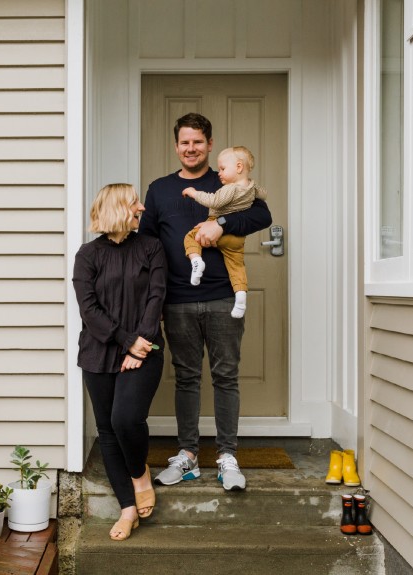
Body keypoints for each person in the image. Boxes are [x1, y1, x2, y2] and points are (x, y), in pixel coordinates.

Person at [139, 113, 272, 491]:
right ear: (176, 146)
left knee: (226, 377)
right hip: (177, 300)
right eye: (185, 142)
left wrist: (222, 224)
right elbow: (147, 243)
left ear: (210, 145)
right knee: (187, 378)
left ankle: (227, 455)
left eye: (198, 142)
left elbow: (263, 214)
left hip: (223, 298)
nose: (191, 148)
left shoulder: (228, 180)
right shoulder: (160, 189)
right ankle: (188, 456)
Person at [72, 183, 167, 541]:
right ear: (116, 208)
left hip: (146, 348)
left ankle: (139, 472)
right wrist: (126, 342)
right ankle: (127, 507)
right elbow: (89, 309)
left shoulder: (151, 247)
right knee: (108, 431)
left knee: (126, 418)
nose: (141, 208)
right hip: (99, 352)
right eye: (134, 203)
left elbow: (157, 296)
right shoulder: (88, 255)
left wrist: (139, 345)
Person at [182, 145, 267, 319]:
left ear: (238, 167)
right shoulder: (251, 186)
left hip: (220, 227)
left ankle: (197, 261)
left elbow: (214, 201)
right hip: (237, 239)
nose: (219, 172)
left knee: (191, 237)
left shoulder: (230, 188)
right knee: (236, 267)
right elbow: (263, 195)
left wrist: (194, 193)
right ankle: (241, 297)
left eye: (222, 168)